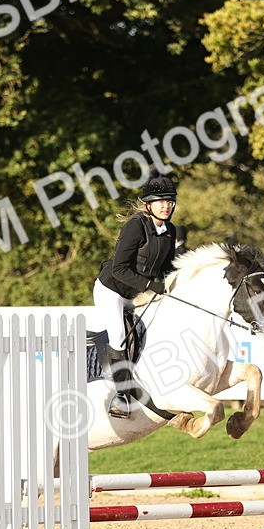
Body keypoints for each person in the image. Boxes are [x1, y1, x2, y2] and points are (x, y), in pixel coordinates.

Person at [93, 170, 180, 418]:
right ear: (148, 204)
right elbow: (119, 269)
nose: (166, 206)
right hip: (112, 289)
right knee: (119, 335)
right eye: (161, 201)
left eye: (170, 201)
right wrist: (150, 285)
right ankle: (121, 396)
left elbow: (167, 267)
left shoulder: (170, 230)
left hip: (137, 292)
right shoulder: (135, 226)